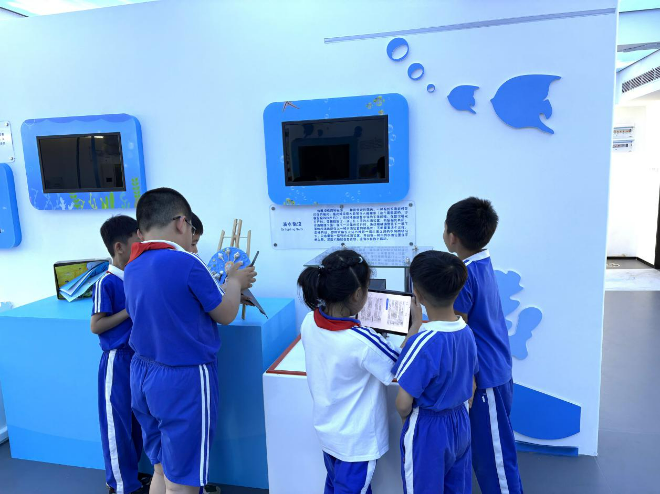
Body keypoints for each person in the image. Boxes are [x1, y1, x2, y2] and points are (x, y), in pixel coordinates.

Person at [124, 188, 256, 494]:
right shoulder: (188, 263)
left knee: (160, 469)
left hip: (142, 374)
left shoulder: (132, 267)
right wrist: (234, 282)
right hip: (184, 379)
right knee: (182, 482)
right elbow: (225, 314)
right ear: (182, 223)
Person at [297, 250, 414, 494]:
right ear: (358, 294)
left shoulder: (309, 322)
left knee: (335, 487)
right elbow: (400, 363)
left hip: (329, 434)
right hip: (356, 444)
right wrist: (415, 326)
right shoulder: (362, 342)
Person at [444, 197, 523, 494]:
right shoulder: (481, 262)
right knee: (493, 451)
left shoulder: (462, 275)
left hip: (484, 378)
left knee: (495, 461)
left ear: (452, 236)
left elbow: (458, 330)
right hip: (497, 369)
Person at [394, 250, 479, 494]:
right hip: (461, 422)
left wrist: (407, 423)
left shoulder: (422, 342)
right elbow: (472, 384)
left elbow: (403, 403)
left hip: (428, 428)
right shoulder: (467, 332)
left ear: (418, 295)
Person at [91, 215, 145, 494]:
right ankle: (121, 485)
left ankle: (130, 477)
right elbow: (96, 325)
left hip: (139, 359)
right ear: (119, 247)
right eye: (137, 241)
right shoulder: (106, 282)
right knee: (117, 424)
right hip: (117, 359)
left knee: (137, 421)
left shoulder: (137, 277)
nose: (142, 245)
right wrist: (128, 311)